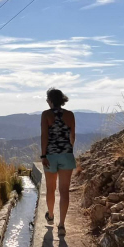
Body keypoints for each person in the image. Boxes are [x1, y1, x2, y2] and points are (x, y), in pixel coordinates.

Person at [40, 88, 76, 237]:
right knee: (64, 191)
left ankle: (50, 216)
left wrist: (43, 155)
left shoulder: (46, 115)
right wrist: (68, 150)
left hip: (51, 156)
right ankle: (61, 225)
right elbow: (72, 135)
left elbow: (44, 136)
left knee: (50, 188)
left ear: (50, 100)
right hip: (66, 155)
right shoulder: (70, 115)